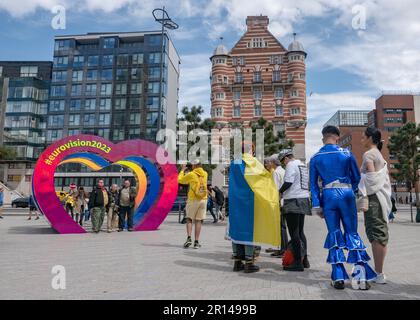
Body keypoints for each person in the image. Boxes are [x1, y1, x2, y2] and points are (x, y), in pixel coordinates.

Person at [310, 126, 376, 290]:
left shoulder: (316, 157)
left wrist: (317, 205)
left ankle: (338, 277)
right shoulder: (346, 154)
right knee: (352, 233)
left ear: (323, 137)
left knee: (334, 234)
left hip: (328, 196)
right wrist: (349, 189)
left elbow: (313, 185)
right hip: (346, 194)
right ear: (337, 138)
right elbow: (356, 178)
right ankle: (360, 278)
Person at [228, 142, 281, 273]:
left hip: (235, 201)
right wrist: (271, 172)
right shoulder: (252, 162)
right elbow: (262, 178)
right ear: (251, 150)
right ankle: (249, 263)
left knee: (236, 229)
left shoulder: (234, 163)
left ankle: (237, 262)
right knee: (248, 231)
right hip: (249, 201)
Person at [358, 127, 392, 285]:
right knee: (380, 233)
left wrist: (361, 176)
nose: (361, 140)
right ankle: (379, 271)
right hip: (379, 199)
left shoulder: (369, 154)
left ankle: (379, 273)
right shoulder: (379, 154)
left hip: (374, 199)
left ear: (371, 138)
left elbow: (371, 179)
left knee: (377, 233)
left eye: (363, 137)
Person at [278, 150, 311, 271]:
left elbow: (288, 182)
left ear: (286, 158)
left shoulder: (291, 165)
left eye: (283, 161)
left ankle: (297, 262)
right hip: (303, 199)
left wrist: (279, 191)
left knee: (294, 233)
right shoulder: (302, 164)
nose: (283, 164)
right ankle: (305, 259)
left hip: (293, 200)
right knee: (301, 232)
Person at [178, 161, 208, 249]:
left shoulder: (191, 174)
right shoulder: (205, 174)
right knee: (199, 221)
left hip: (193, 199)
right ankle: (196, 242)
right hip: (203, 199)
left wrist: (182, 170)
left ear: (194, 165)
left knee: (189, 219)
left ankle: (189, 238)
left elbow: (180, 180)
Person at [265, 155, 288, 258]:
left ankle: (282, 249)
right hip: (285, 201)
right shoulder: (284, 171)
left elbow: (275, 189)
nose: (267, 165)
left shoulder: (276, 173)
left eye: (269, 163)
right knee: (282, 226)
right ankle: (282, 248)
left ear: (273, 163)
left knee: (280, 227)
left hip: (278, 202)